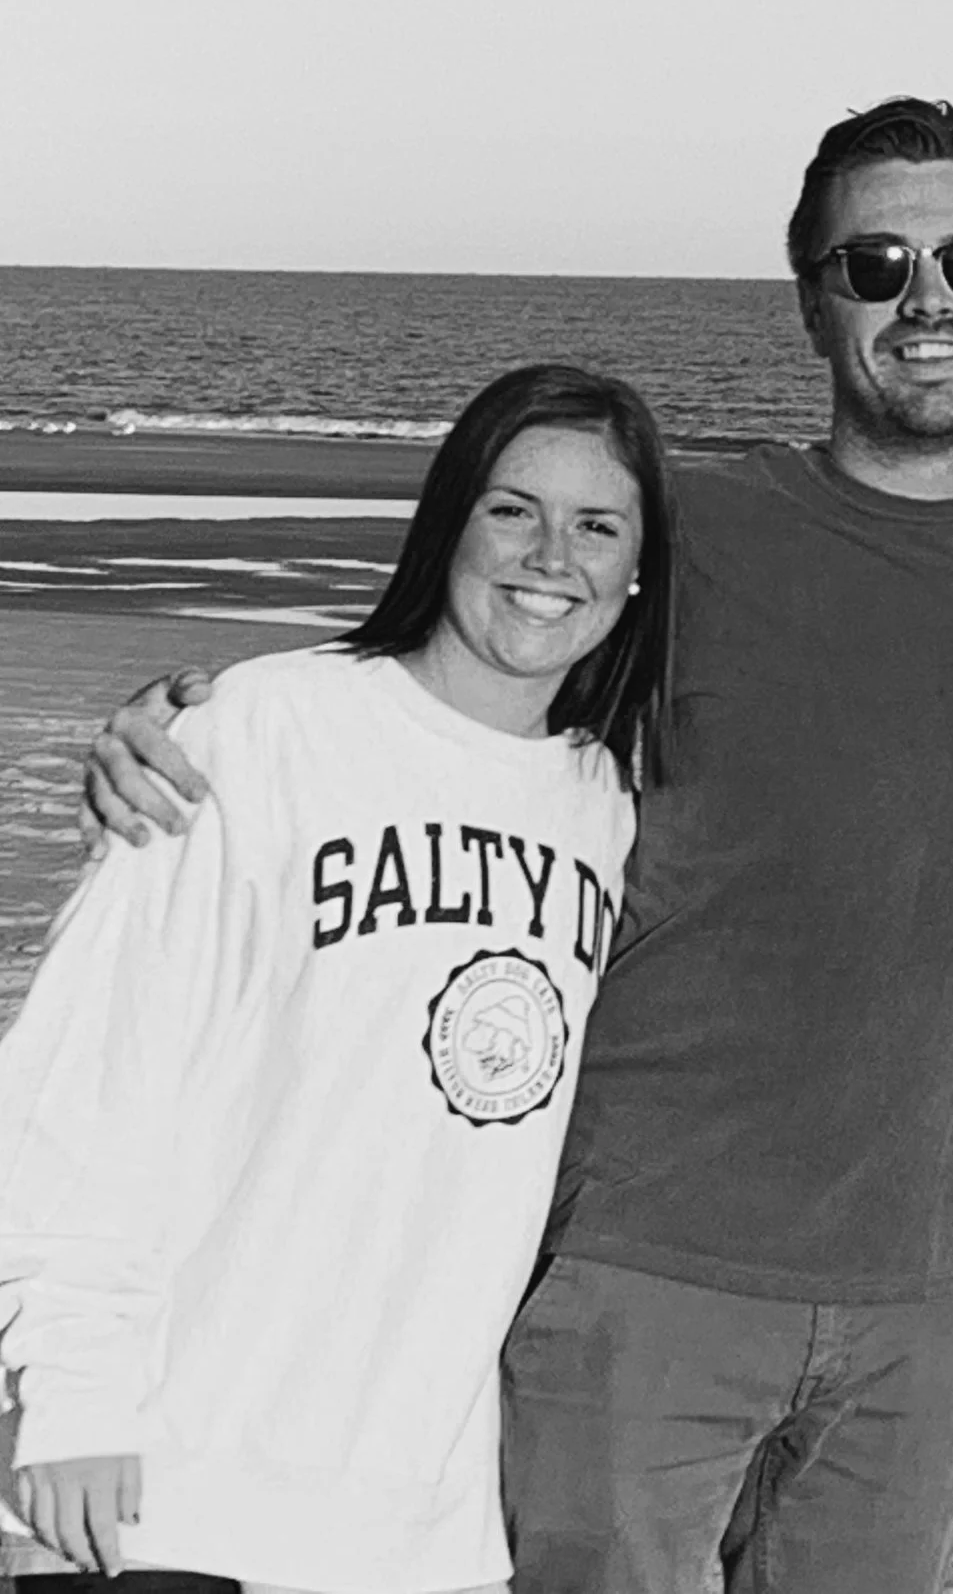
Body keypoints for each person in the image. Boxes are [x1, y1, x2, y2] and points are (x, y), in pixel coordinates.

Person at [76, 98, 953, 1594]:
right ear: (811, 295)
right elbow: (484, 622)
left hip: (933, 1275)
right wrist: (206, 718)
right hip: (645, 1255)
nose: (927, 298)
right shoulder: (690, 519)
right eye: (876, 260)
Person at [0, 364, 672, 1594]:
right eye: (512, 509)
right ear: (449, 523)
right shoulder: (258, 733)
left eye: (598, 525)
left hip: (424, 1529)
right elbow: (93, 1067)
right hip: (170, 1486)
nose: (550, 557)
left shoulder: (605, 807)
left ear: (637, 572)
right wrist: (69, 1387)